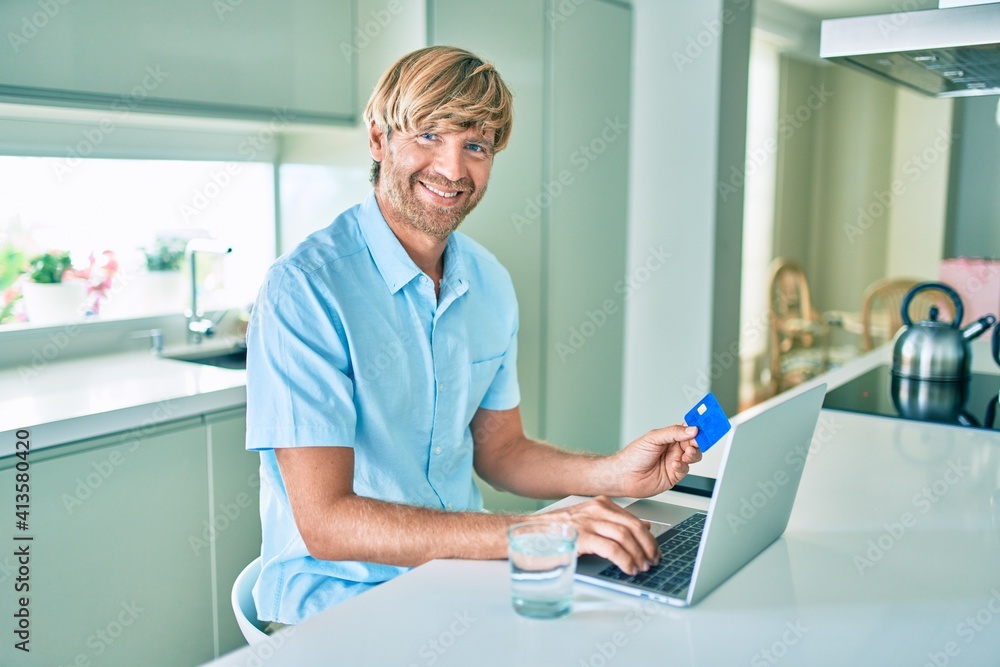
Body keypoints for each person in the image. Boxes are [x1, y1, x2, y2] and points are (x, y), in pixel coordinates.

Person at [246, 45, 702, 626]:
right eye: (430, 136)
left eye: (476, 146)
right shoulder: (305, 290)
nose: (454, 169)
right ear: (378, 139)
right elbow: (328, 522)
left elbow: (501, 452)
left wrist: (612, 473)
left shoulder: (488, 282)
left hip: (460, 579)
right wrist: (540, 529)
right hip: (335, 608)